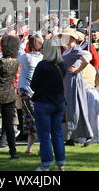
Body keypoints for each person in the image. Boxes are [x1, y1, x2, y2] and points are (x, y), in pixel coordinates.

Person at [30, 37, 66, 172]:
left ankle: (45, 165)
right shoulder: (61, 65)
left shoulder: (42, 65)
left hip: (44, 102)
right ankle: (60, 164)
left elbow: (33, 85)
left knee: (44, 135)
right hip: (58, 102)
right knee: (57, 133)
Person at [0, 35, 20, 159]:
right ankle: (13, 150)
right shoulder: (16, 61)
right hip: (10, 95)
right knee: (9, 125)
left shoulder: (2, 62)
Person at [61, 28, 93, 147]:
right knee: (69, 108)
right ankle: (70, 137)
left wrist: (77, 70)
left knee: (77, 107)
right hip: (67, 81)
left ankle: (88, 135)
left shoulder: (75, 49)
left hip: (74, 81)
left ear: (72, 38)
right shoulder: (67, 50)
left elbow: (86, 61)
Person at [17, 34, 44, 154]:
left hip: (27, 92)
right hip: (38, 92)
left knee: (31, 121)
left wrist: (22, 42)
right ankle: (29, 148)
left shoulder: (27, 57)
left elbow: (19, 54)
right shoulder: (42, 58)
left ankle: (41, 146)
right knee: (31, 120)